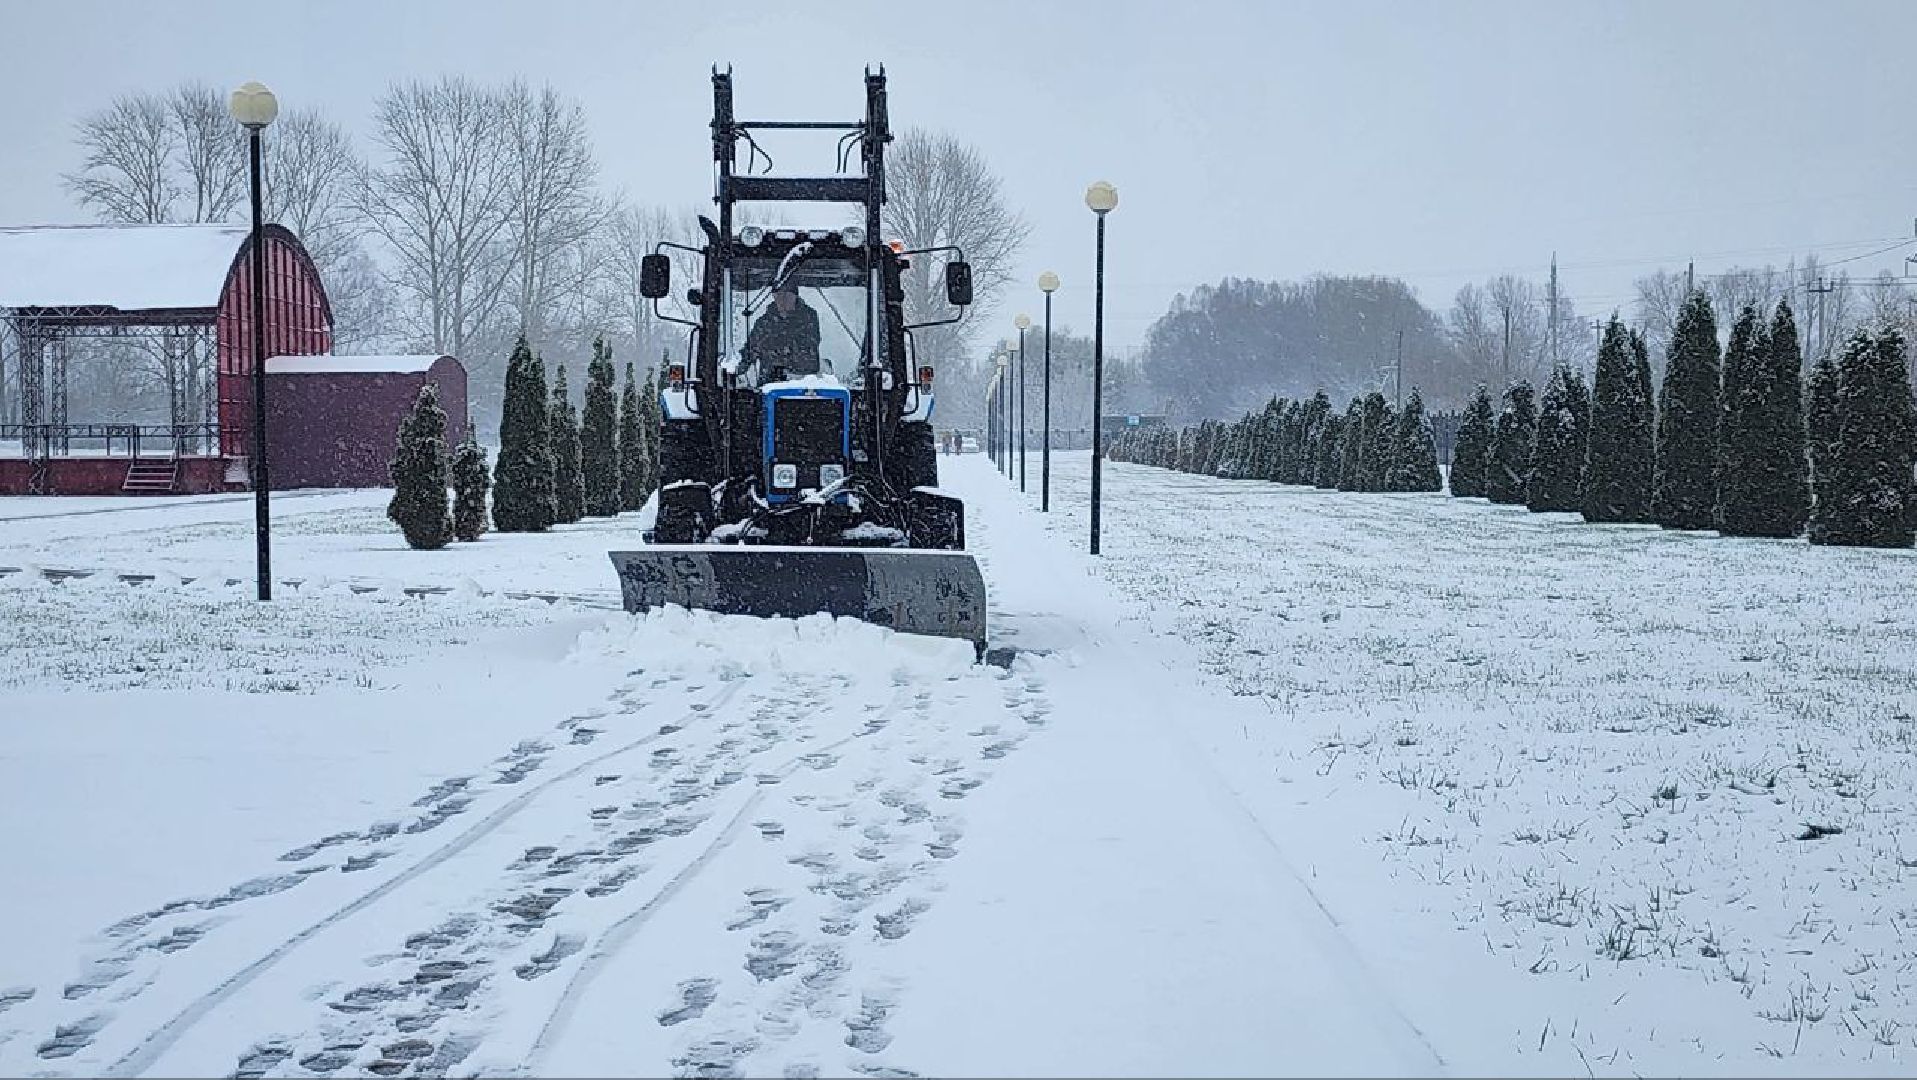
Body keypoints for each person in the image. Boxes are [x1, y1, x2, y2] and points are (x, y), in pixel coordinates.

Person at [744, 285, 821, 380]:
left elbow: (809, 344)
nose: (782, 300)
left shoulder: (809, 319)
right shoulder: (763, 323)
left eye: (786, 295)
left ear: (795, 296)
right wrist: (733, 371)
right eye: (777, 295)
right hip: (771, 386)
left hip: (807, 385)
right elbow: (750, 350)